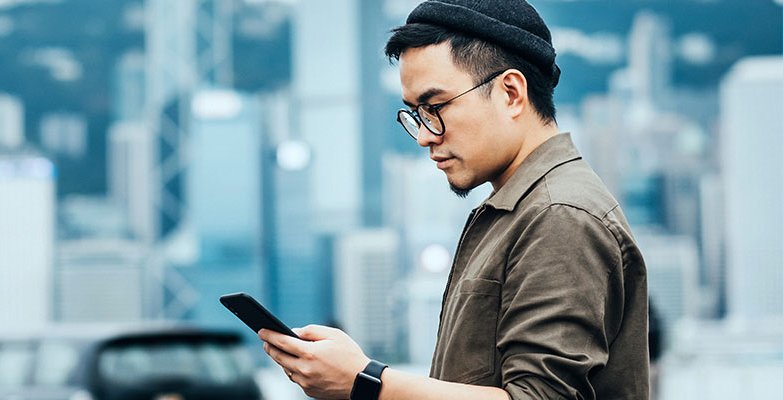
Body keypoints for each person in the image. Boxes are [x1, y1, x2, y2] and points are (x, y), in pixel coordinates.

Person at [255, 0, 649, 399]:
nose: (425, 134)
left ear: (511, 93)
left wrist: (366, 381)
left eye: (435, 107)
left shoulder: (559, 216)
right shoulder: (516, 210)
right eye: (415, 113)